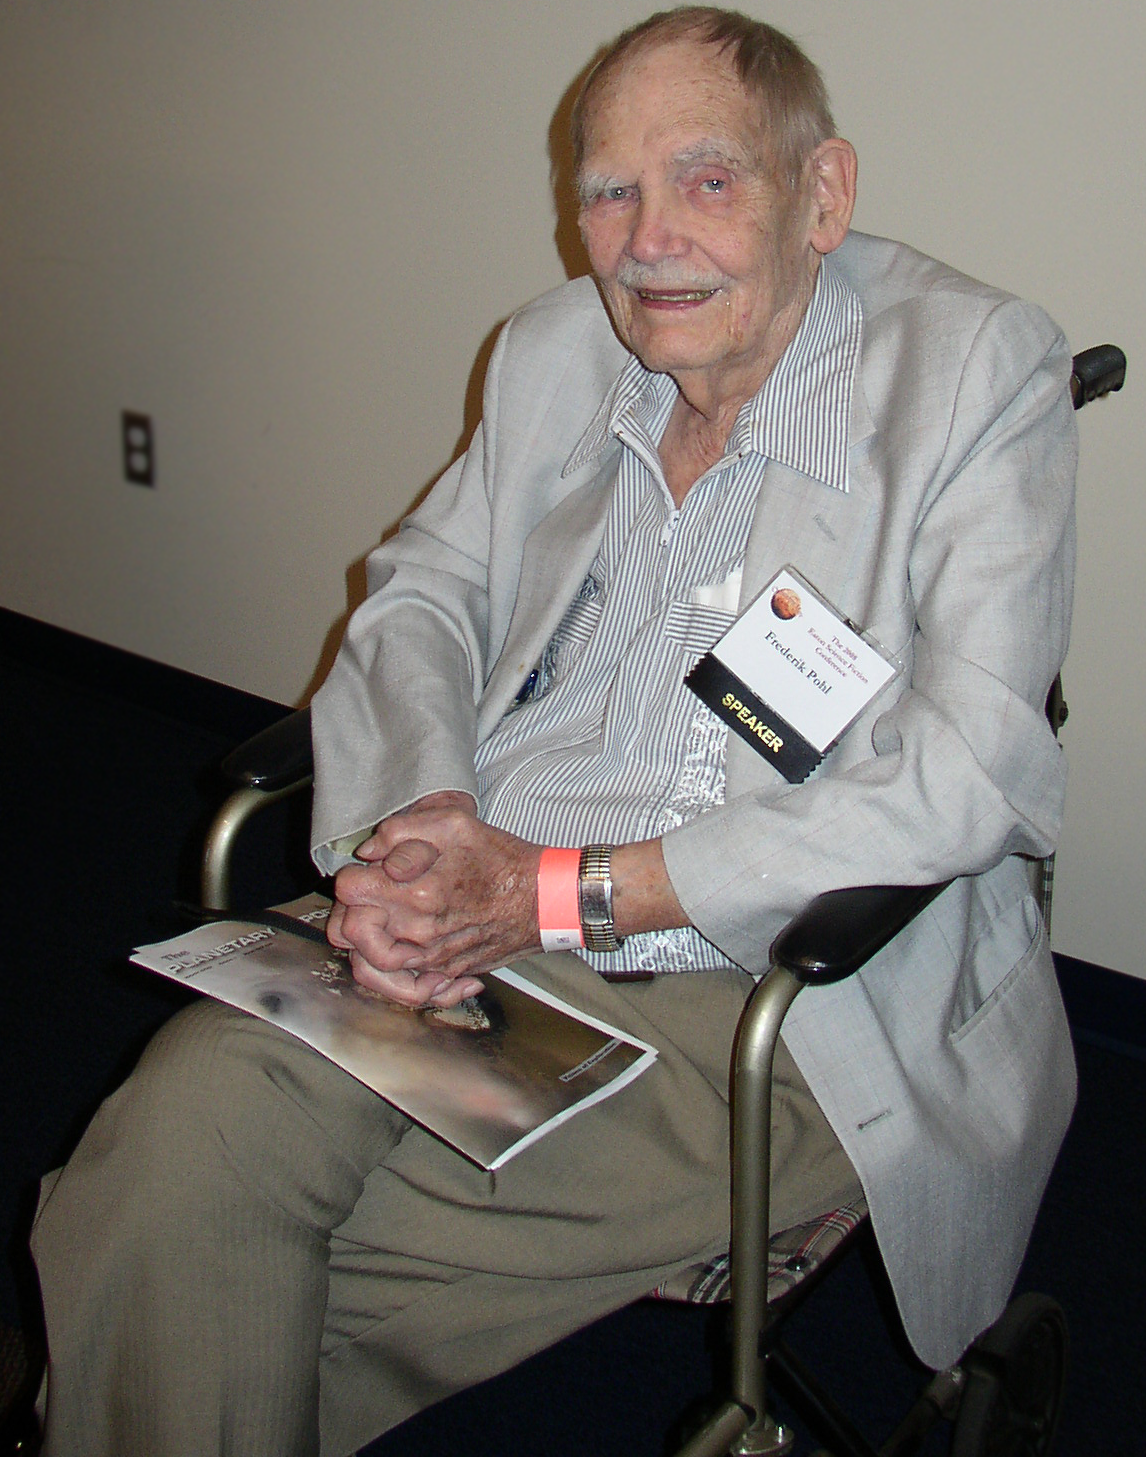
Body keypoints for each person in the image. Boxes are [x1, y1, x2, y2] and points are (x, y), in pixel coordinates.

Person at [30, 8, 1078, 1455]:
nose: (648, 242)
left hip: (774, 992)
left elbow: (972, 770)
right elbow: (422, 594)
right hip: (485, 897)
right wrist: (422, 830)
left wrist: (551, 896)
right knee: (197, 1126)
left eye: (708, 179)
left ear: (822, 193)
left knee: (193, 1238)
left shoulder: (969, 373)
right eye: (608, 192)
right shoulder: (552, 352)